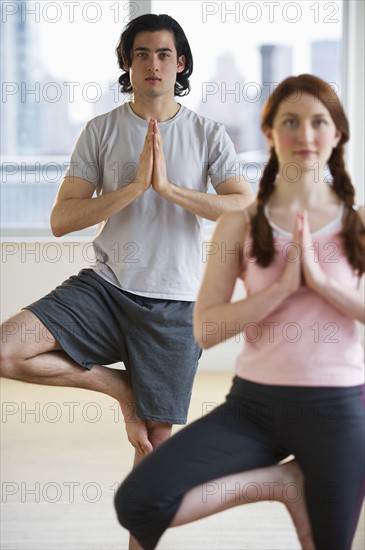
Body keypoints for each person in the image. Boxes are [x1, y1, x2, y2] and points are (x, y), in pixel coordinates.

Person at [0, 13, 255, 550]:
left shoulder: (208, 132)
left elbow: (242, 205)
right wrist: (135, 187)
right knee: (6, 350)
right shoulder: (102, 130)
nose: (153, 63)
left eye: (164, 54)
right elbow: (61, 219)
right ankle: (121, 388)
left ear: (180, 63)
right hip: (106, 287)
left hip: (176, 305)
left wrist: (169, 189)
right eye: (141, 54)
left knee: (154, 453)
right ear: (126, 63)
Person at [114, 74, 365, 550]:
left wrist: (322, 283)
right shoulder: (240, 222)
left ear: (337, 134)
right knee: (139, 500)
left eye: (318, 122)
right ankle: (280, 483)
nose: (305, 135)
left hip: (338, 409)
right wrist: (282, 289)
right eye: (290, 121)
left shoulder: (358, 223)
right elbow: (206, 330)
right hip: (255, 408)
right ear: (270, 132)